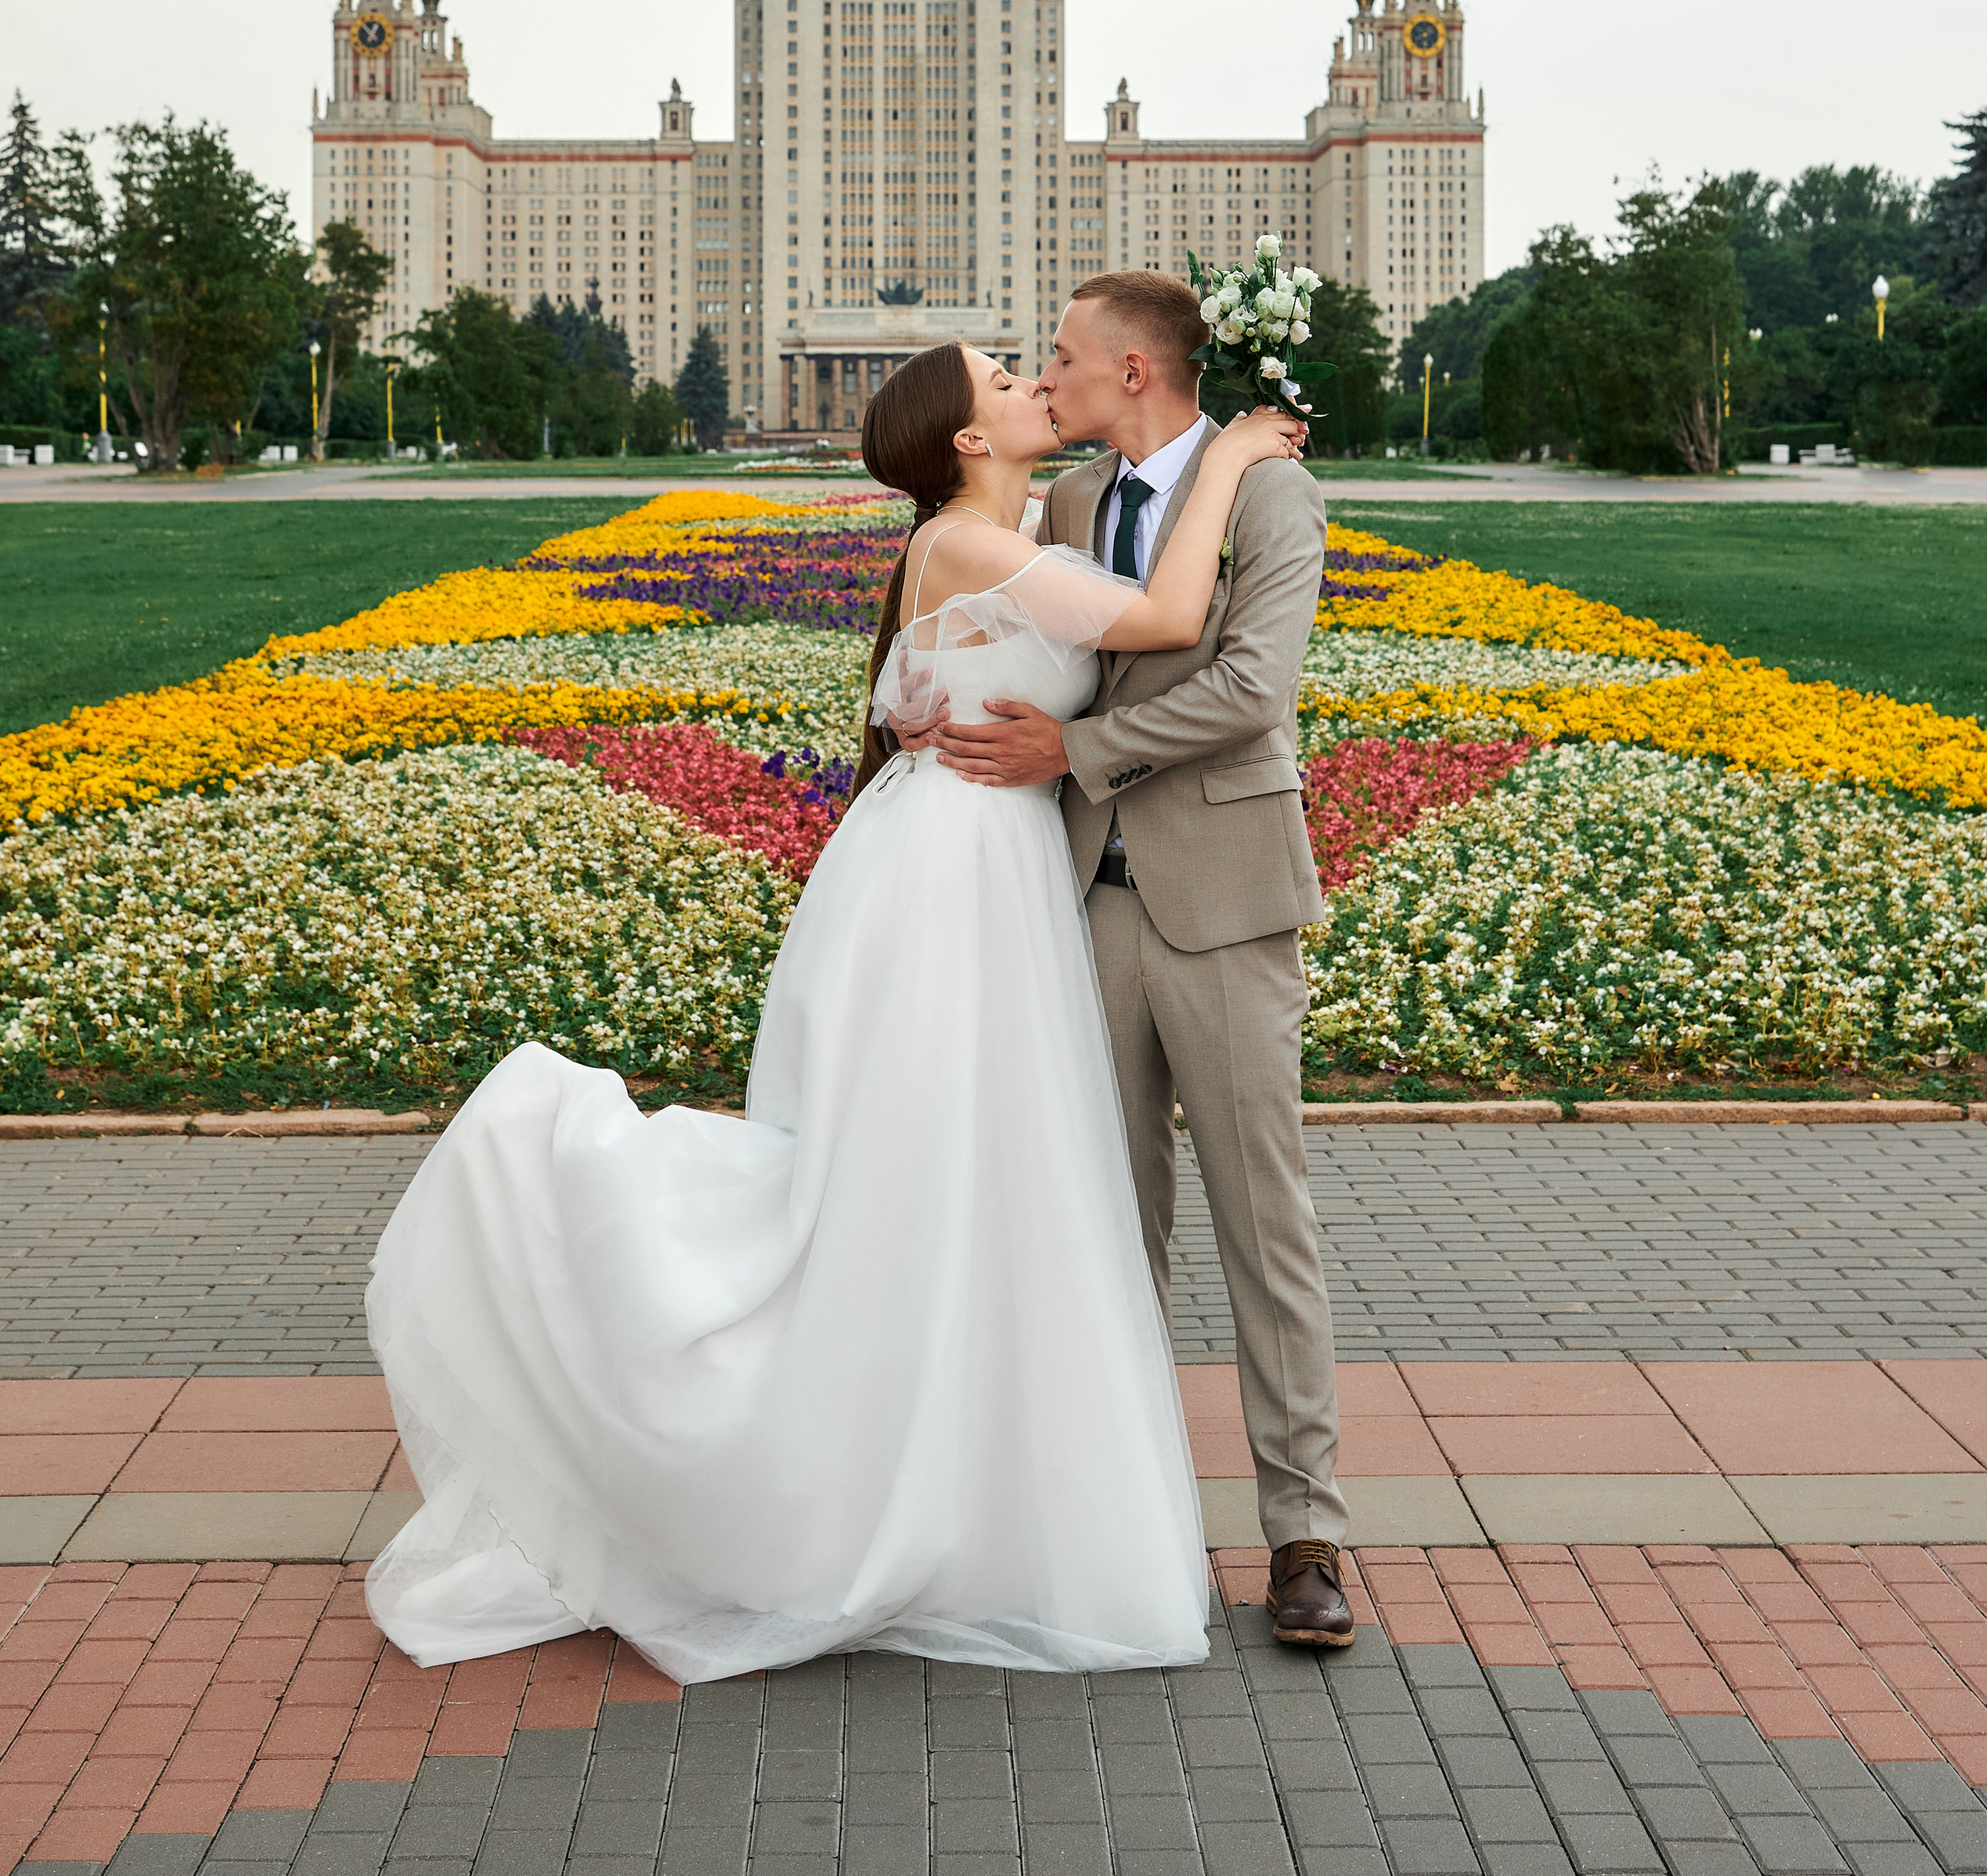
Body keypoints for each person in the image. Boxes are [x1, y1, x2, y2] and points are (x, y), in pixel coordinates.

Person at [362, 342, 1301, 1685]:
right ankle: (831, 1457)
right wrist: (1233, 455)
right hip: (955, 883)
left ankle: (955, 1478)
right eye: (1008, 379)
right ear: (968, 441)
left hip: (975, 864)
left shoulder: (1001, 529)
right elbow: (1161, 619)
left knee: (962, 1185)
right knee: (907, 1182)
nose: (1038, 384)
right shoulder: (971, 547)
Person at [923, 273, 1353, 1650]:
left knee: (1261, 1223)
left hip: (1224, 896)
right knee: (1105, 1229)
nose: (1048, 378)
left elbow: (1251, 691)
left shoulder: (1272, 495)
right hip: (1081, 901)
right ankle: (1118, 1519)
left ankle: (1304, 1535)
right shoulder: (1056, 506)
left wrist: (1078, 751)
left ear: (1133, 369)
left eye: (1062, 358)